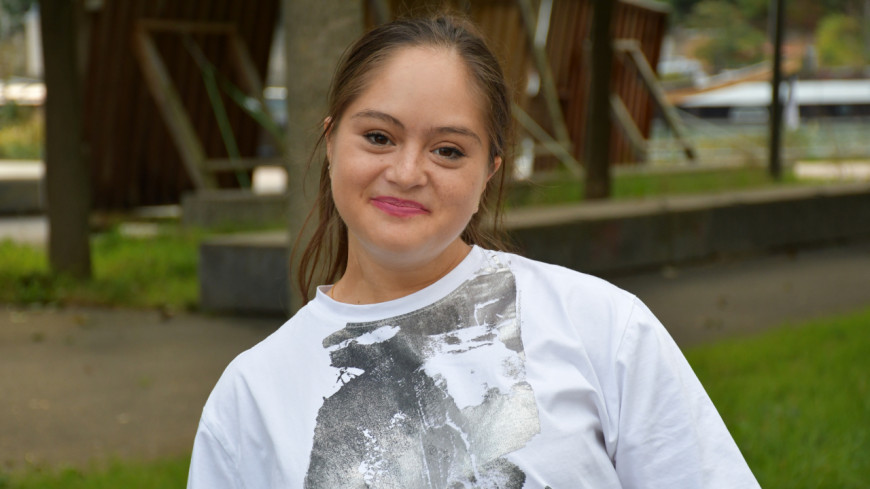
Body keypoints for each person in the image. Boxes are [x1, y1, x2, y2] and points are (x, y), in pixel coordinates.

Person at [187, 14, 760, 489]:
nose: (407, 172)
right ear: (331, 141)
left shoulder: (601, 326)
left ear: (489, 171)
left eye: (448, 150)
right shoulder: (251, 396)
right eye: (379, 137)